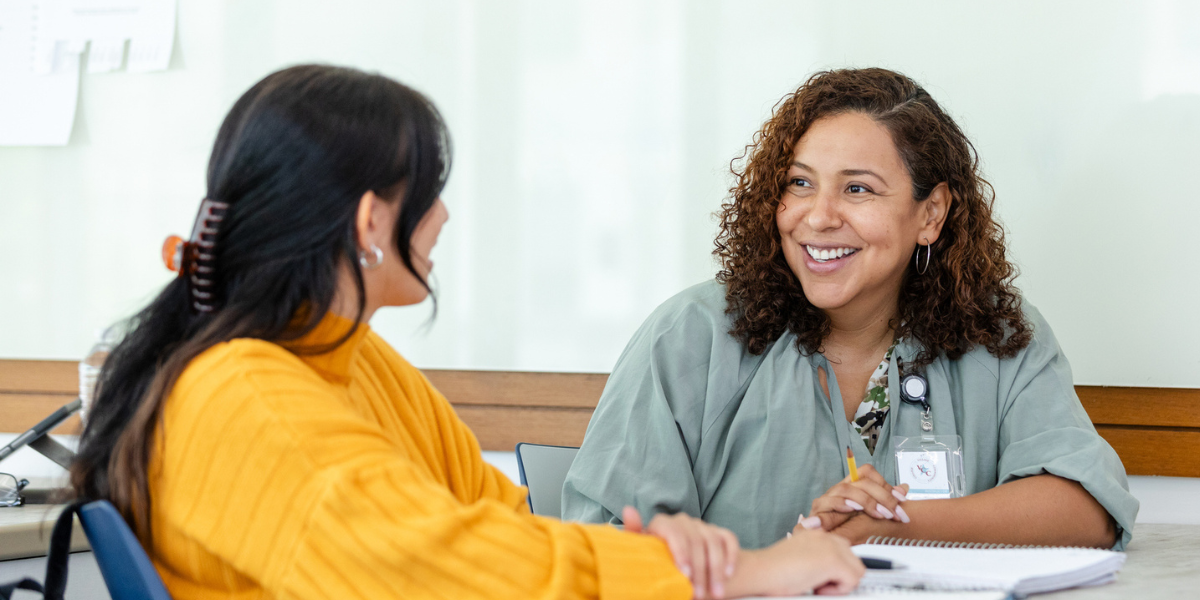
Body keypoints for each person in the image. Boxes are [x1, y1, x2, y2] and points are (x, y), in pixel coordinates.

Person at [68, 64, 864, 600]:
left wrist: (664, 553)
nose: (443, 217)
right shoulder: (246, 396)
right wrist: (749, 570)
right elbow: (449, 573)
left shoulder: (351, 361)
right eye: (432, 193)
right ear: (372, 217)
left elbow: (498, 526)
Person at [561, 67, 1139, 551]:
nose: (818, 217)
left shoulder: (999, 334)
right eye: (800, 183)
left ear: (930, 213)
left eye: (857, 189)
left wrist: (886, 526)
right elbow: (609, 545)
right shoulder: (691, 338)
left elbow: (1085, 506)